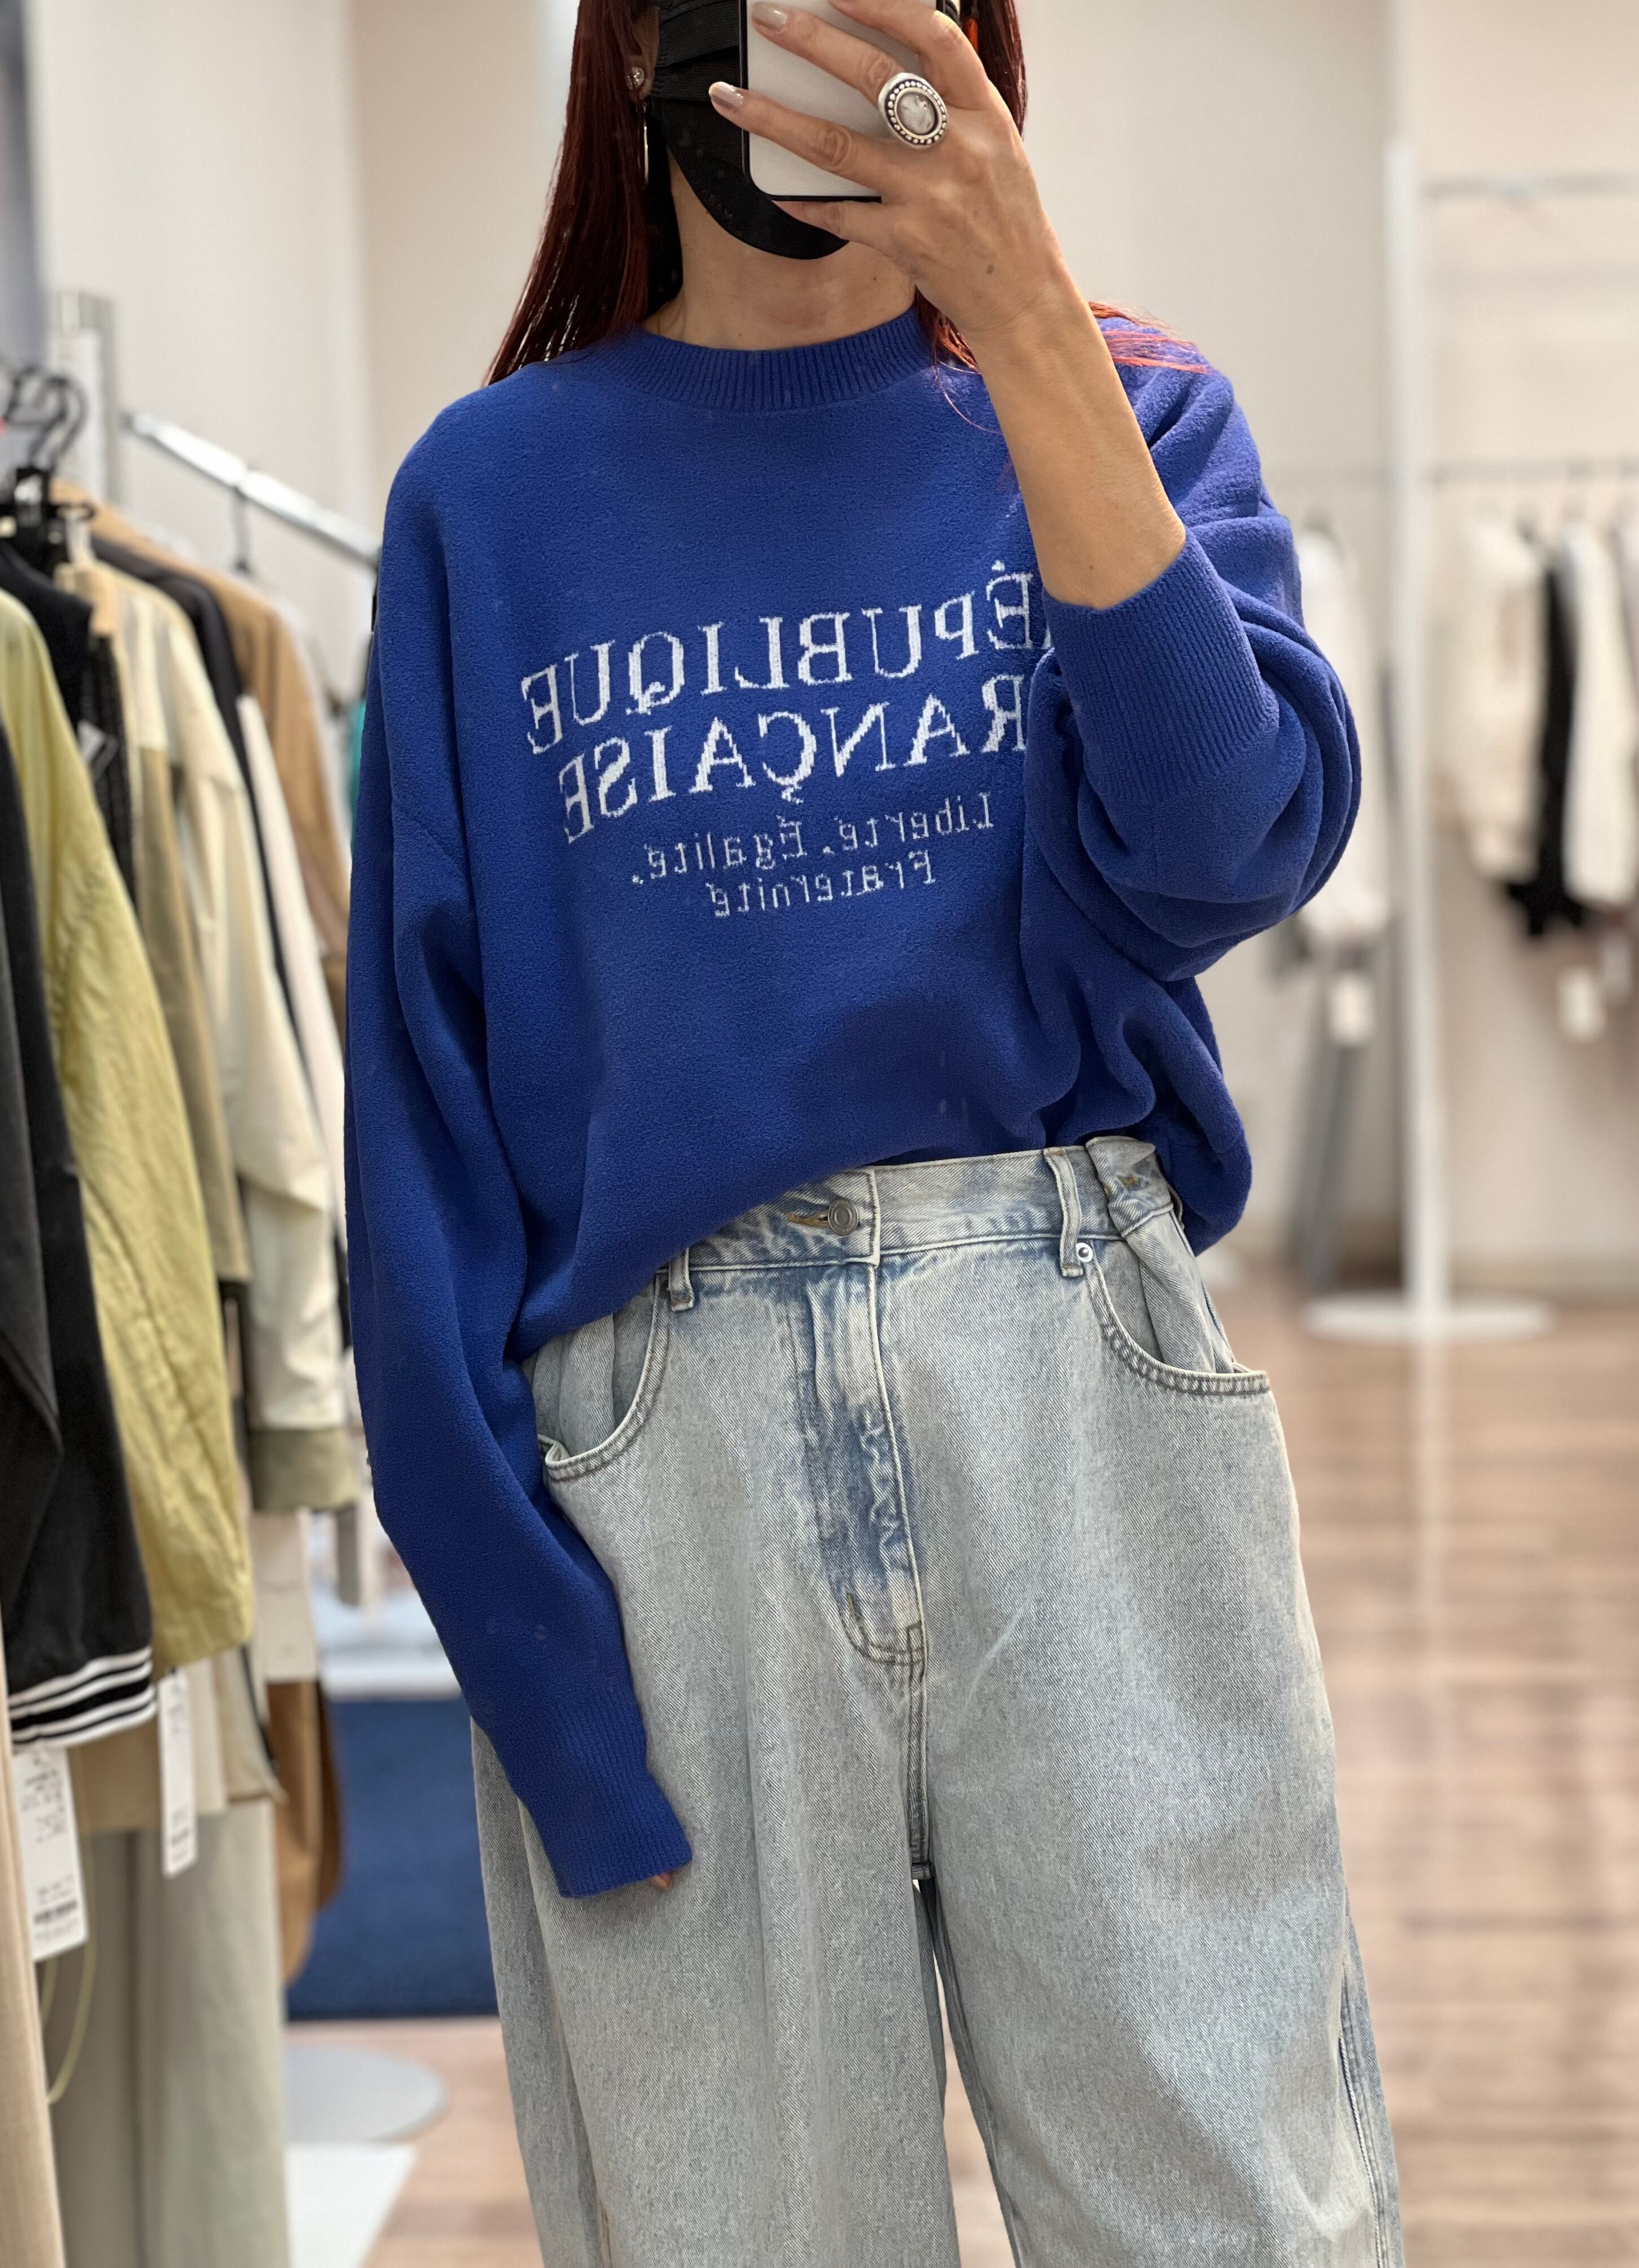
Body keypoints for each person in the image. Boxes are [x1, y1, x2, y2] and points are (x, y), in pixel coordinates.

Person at [342, 0, 1404, 2258]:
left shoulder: (1125, 411)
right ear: (647, 47)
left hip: (1077, 1381)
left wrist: (1024, 319)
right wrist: (537, 1663)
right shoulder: (492, 499)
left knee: (1231, 2218)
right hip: (668, 1468)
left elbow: (1230, 847)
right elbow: (418, 1126)